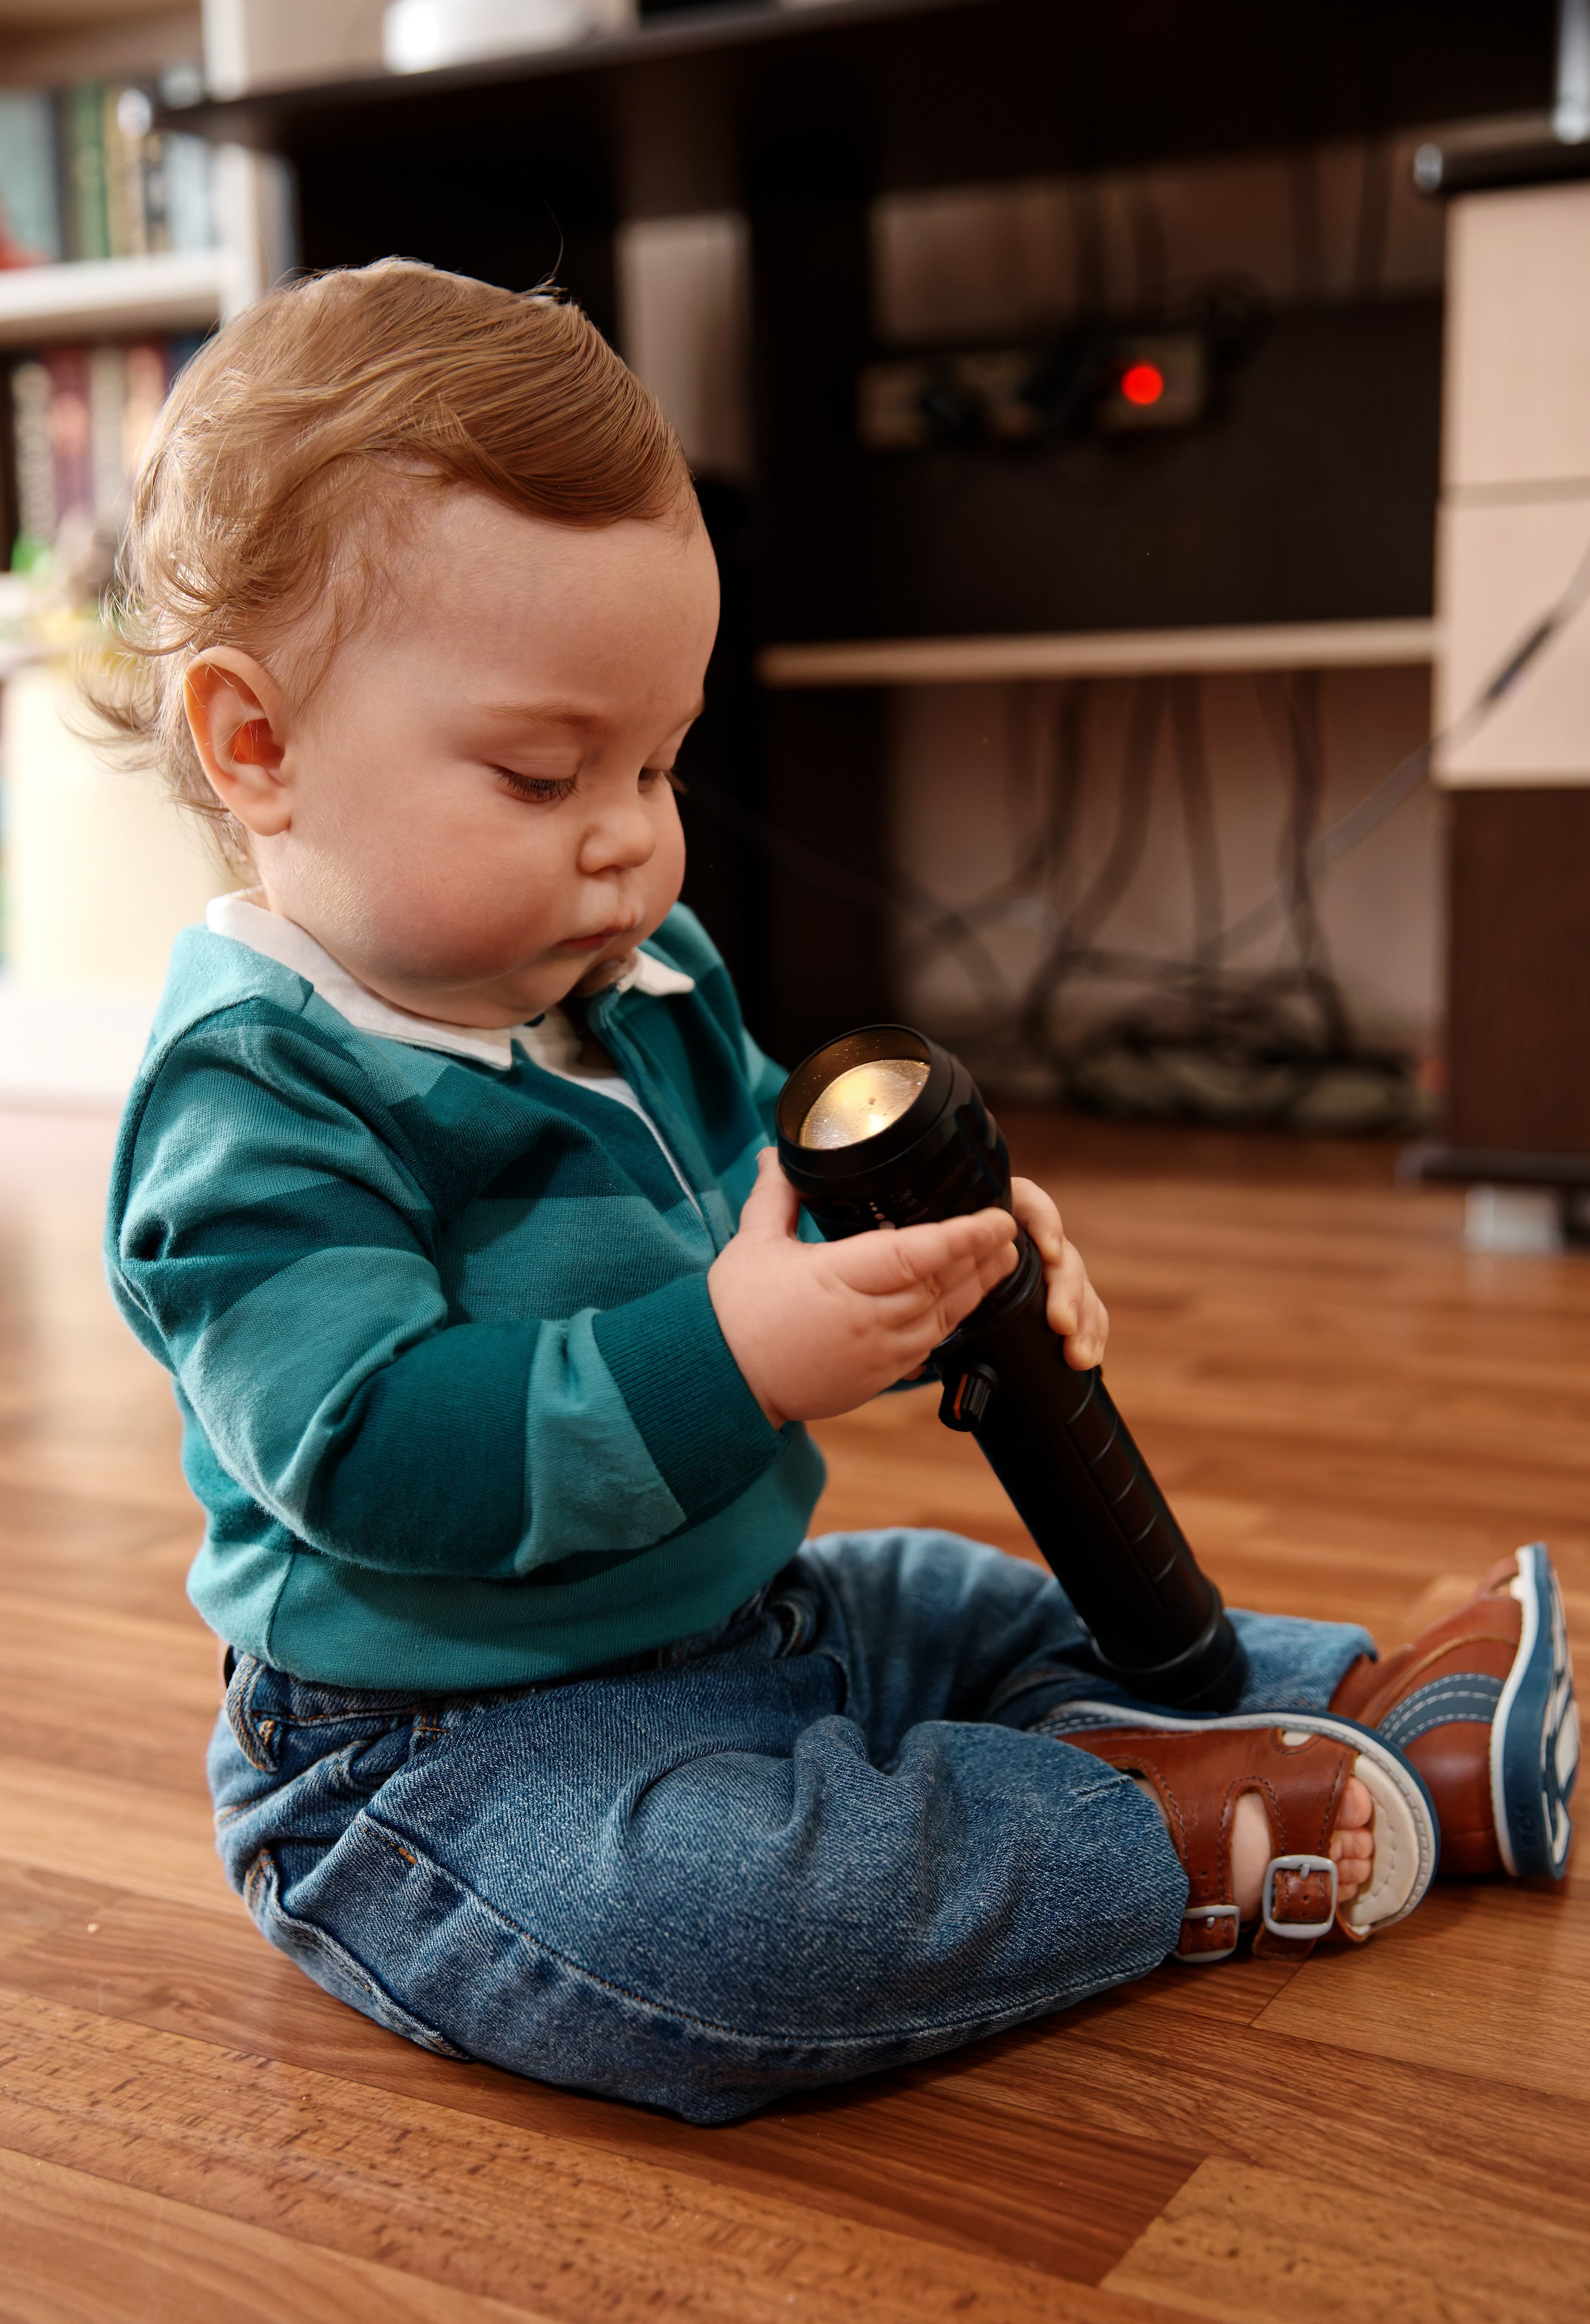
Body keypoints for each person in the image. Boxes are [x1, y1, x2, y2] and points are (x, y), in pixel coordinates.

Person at [96, 263, 1578, 2124]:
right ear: (260, 746)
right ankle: (1145, 1838)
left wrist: (931, 1285)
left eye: (658, 760)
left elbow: (774, 1257)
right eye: (546, 771)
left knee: (962, 1602)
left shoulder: (637, 982)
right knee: (725, 1929)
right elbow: (377, 1451)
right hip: (439, 1753)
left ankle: (1373, 1706)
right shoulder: (253, 1100)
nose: (631, 831)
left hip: (750, 1614)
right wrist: (735, 1354)